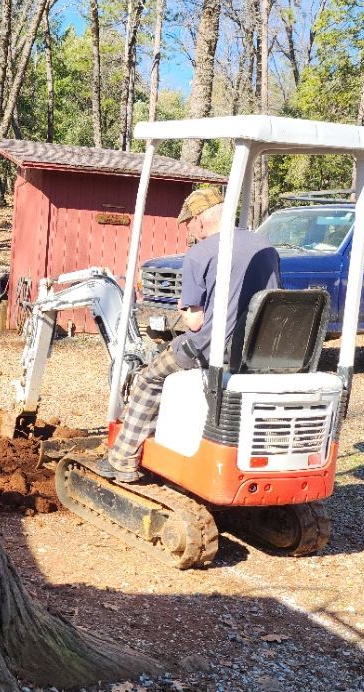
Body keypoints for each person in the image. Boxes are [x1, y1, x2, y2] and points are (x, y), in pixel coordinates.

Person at [106, 184, 281, 483]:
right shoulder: (266, 247)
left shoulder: (200, 253)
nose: (189, 231)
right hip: (259, 350)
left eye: (189, 224)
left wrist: (185, 312)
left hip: (211, 349)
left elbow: (197, 323)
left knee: (149, 377)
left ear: (199, 220)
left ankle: (122, 460)